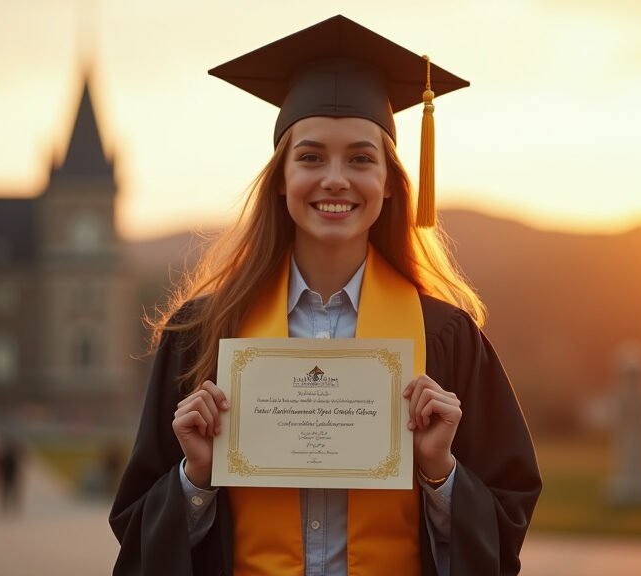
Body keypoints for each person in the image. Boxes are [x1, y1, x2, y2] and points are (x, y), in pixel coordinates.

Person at [110, 15, 541, 575]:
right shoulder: (204, 335)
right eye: (311, 157)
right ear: (282, 179)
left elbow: (506, 528)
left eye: (361, 158)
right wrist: (195, 479)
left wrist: (439, 473)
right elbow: (137, 536)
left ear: (389, 183)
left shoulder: (445, 338)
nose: (335, 178)